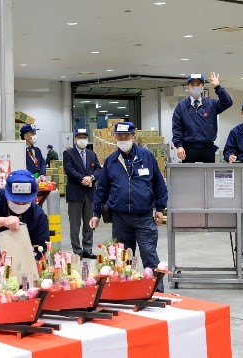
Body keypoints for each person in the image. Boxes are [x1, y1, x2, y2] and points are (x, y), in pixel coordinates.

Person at [89, 122, 168, 291]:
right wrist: (96, 213)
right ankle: (126, 290)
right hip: (120, 219)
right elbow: (101, 188)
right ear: (115, 138)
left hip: (144, 217)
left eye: (126, 136)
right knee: (122, 258)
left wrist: (160, 208)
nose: (123, 140)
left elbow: (158, 183)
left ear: (134, 136)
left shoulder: (147, 157)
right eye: (120, 137)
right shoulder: (111, 161)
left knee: (149, 255)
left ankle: (157, 291)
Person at [172, 72, 233, 163]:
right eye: (192, 84)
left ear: (203, 86)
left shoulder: (211, 104)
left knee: (208, 176)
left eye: (198, 84)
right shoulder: (181, 106)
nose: (195, 87)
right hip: (188, 149)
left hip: (207, 148)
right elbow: (177, 128)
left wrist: (218, 87)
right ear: (188, 87)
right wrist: (179, 146)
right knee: (189, 176)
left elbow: (227, 103)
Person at [63, 128, 102, 259]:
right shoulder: (68, 153)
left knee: (89, 223)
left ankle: (87, 249)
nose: (82, 140)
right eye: (79, 137)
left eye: (84, 137)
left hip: (90, 193)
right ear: (75, 139)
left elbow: (98, 169)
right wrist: (83, 179)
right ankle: (77, 251)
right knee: (75, 224)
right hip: (75, 193)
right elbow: (69, 170)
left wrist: (91, 178)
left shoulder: (92, 154)